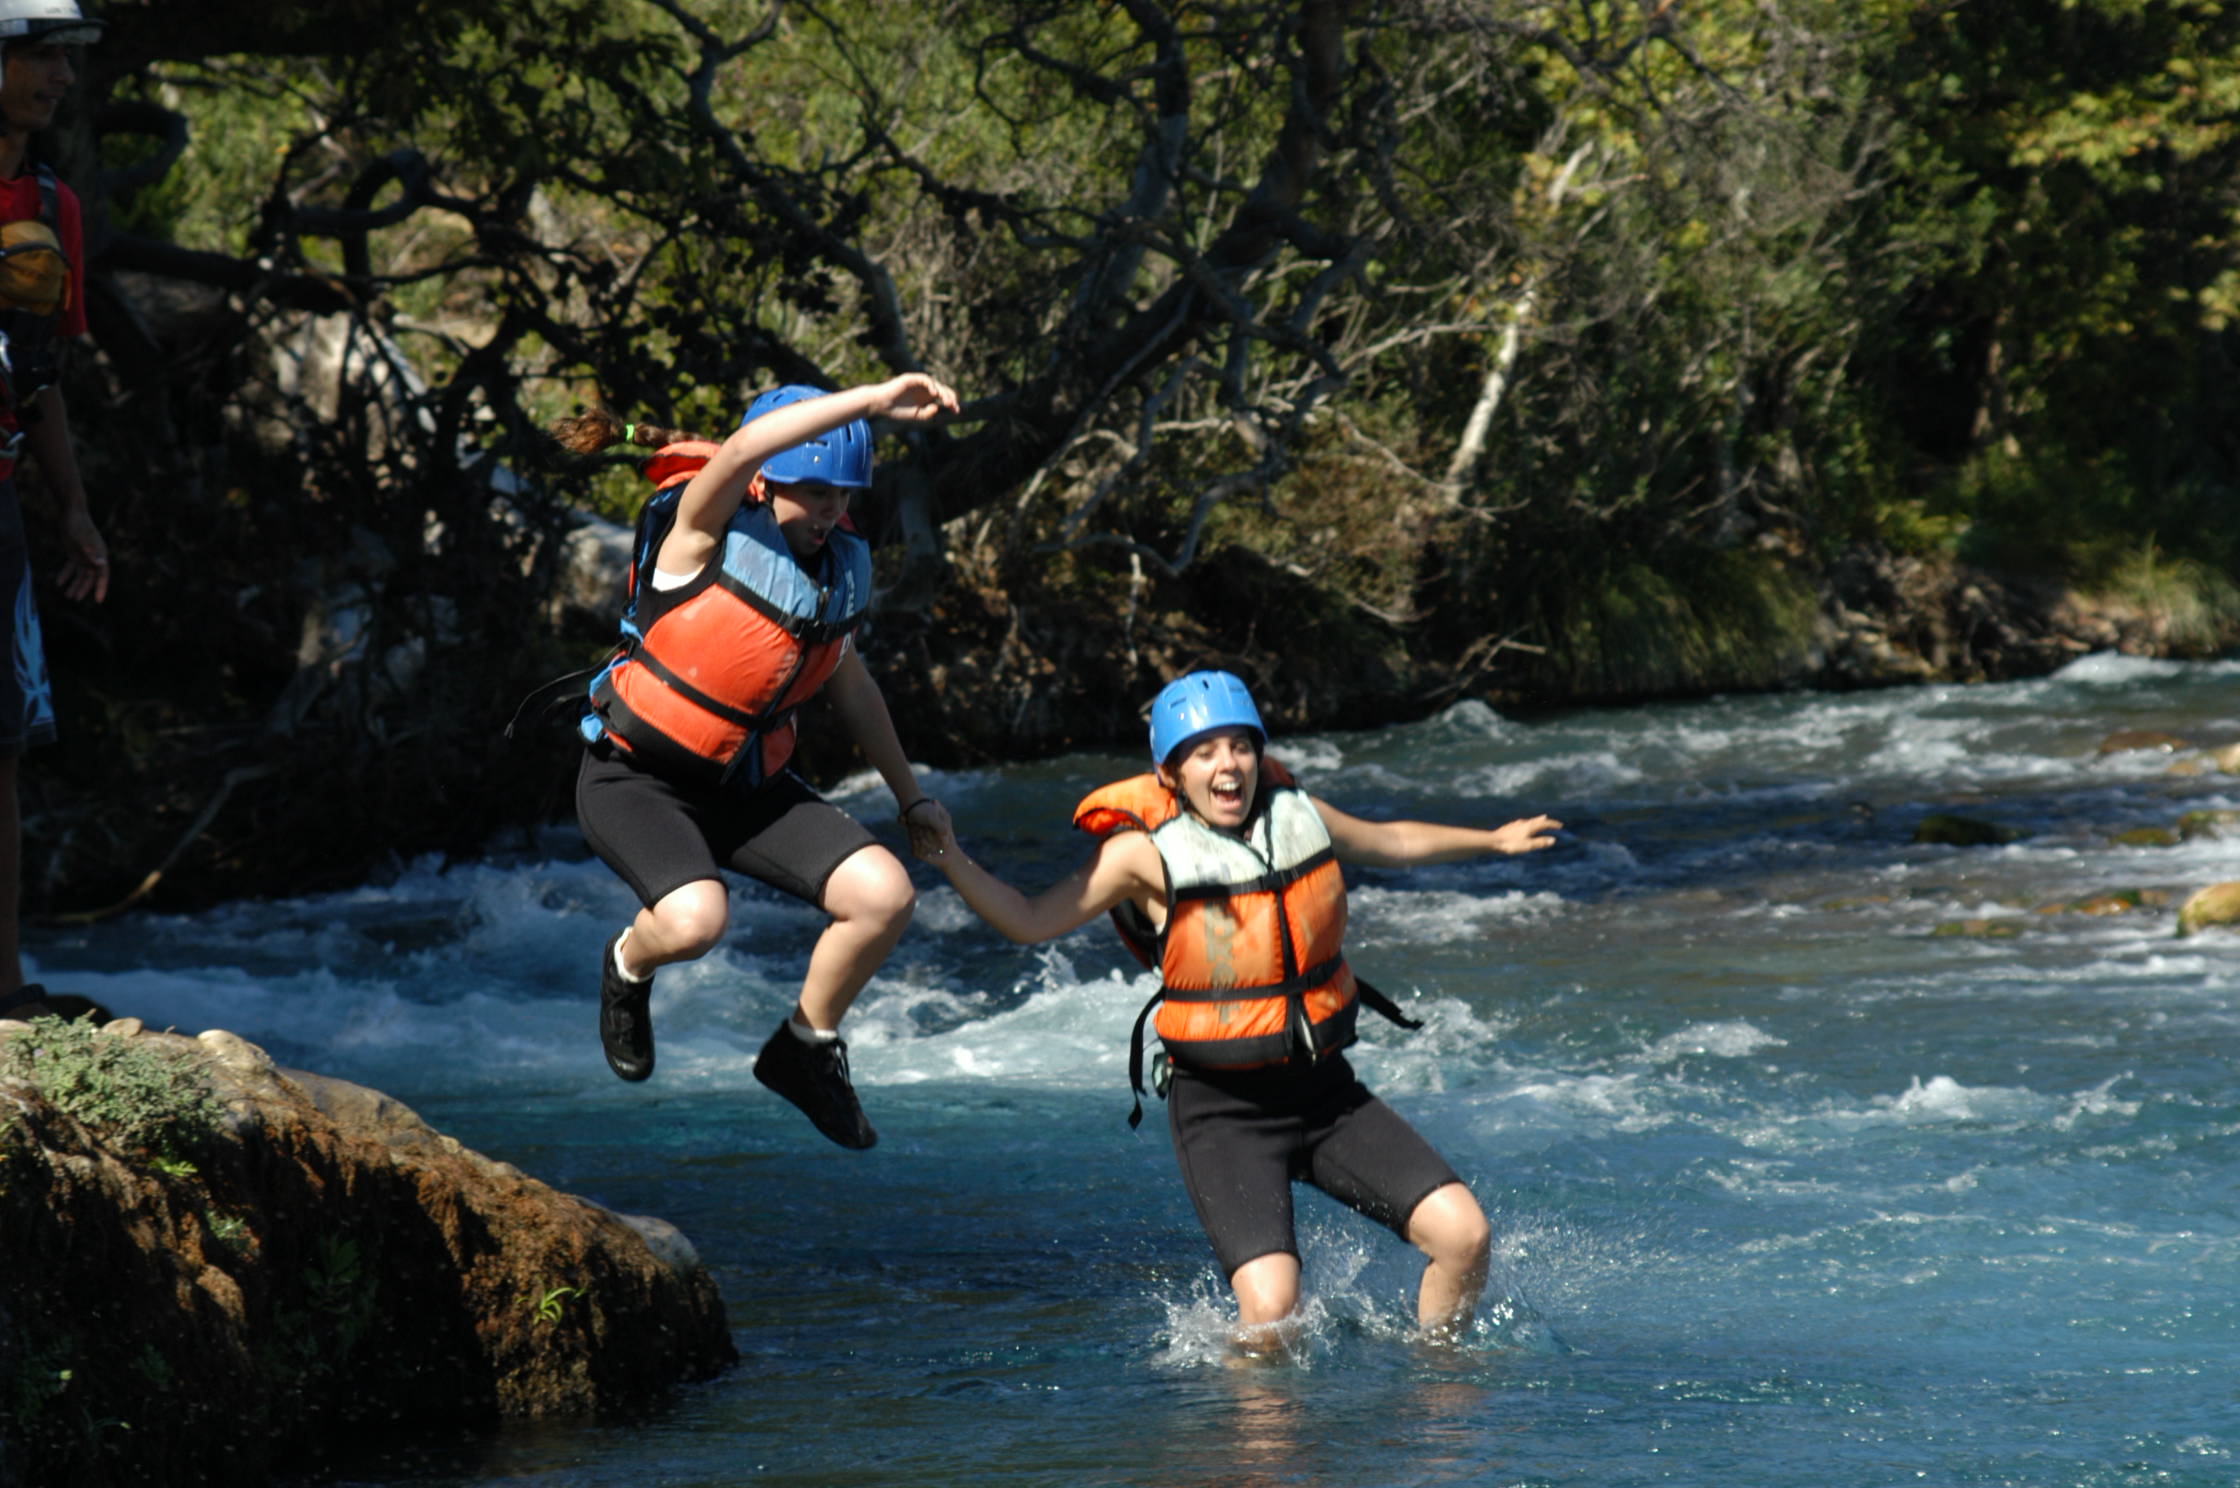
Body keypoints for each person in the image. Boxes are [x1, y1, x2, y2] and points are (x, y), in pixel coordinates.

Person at [916, 670, 1562, 1345]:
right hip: (1224, 1114)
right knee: (1273, 1313)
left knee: (1464, 1235)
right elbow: (1027, 918)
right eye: (1203, 751)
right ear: (1171, 773)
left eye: (1240, 746)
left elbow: (1390, 841)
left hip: (1323, 1093)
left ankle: (1441, 1404)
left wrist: (1492, 841)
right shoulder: (1140, 855)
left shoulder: (1295, 812)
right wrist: (951, 857)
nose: (1227, 764)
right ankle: (1251, 1445)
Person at [551, 375, 958, 1149]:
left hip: (744, 785)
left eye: (844, 494)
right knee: (697, 920)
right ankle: (628, 964)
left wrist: (913, 801)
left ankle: (804, 1048)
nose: (831, 511)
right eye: (812, 492)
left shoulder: (837, 569)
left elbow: (854, 687)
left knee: (885, 895)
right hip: (636, 778)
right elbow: (739, 447)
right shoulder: (700, 533)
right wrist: (872, 400)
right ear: (767, 480)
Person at [0, 0, 108, 1023]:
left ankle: (3, 991)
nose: (60, 78)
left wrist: (72, 507)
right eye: (39, 54)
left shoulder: (49, 204)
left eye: (66, 59)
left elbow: (43, 378)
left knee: (3, 746)